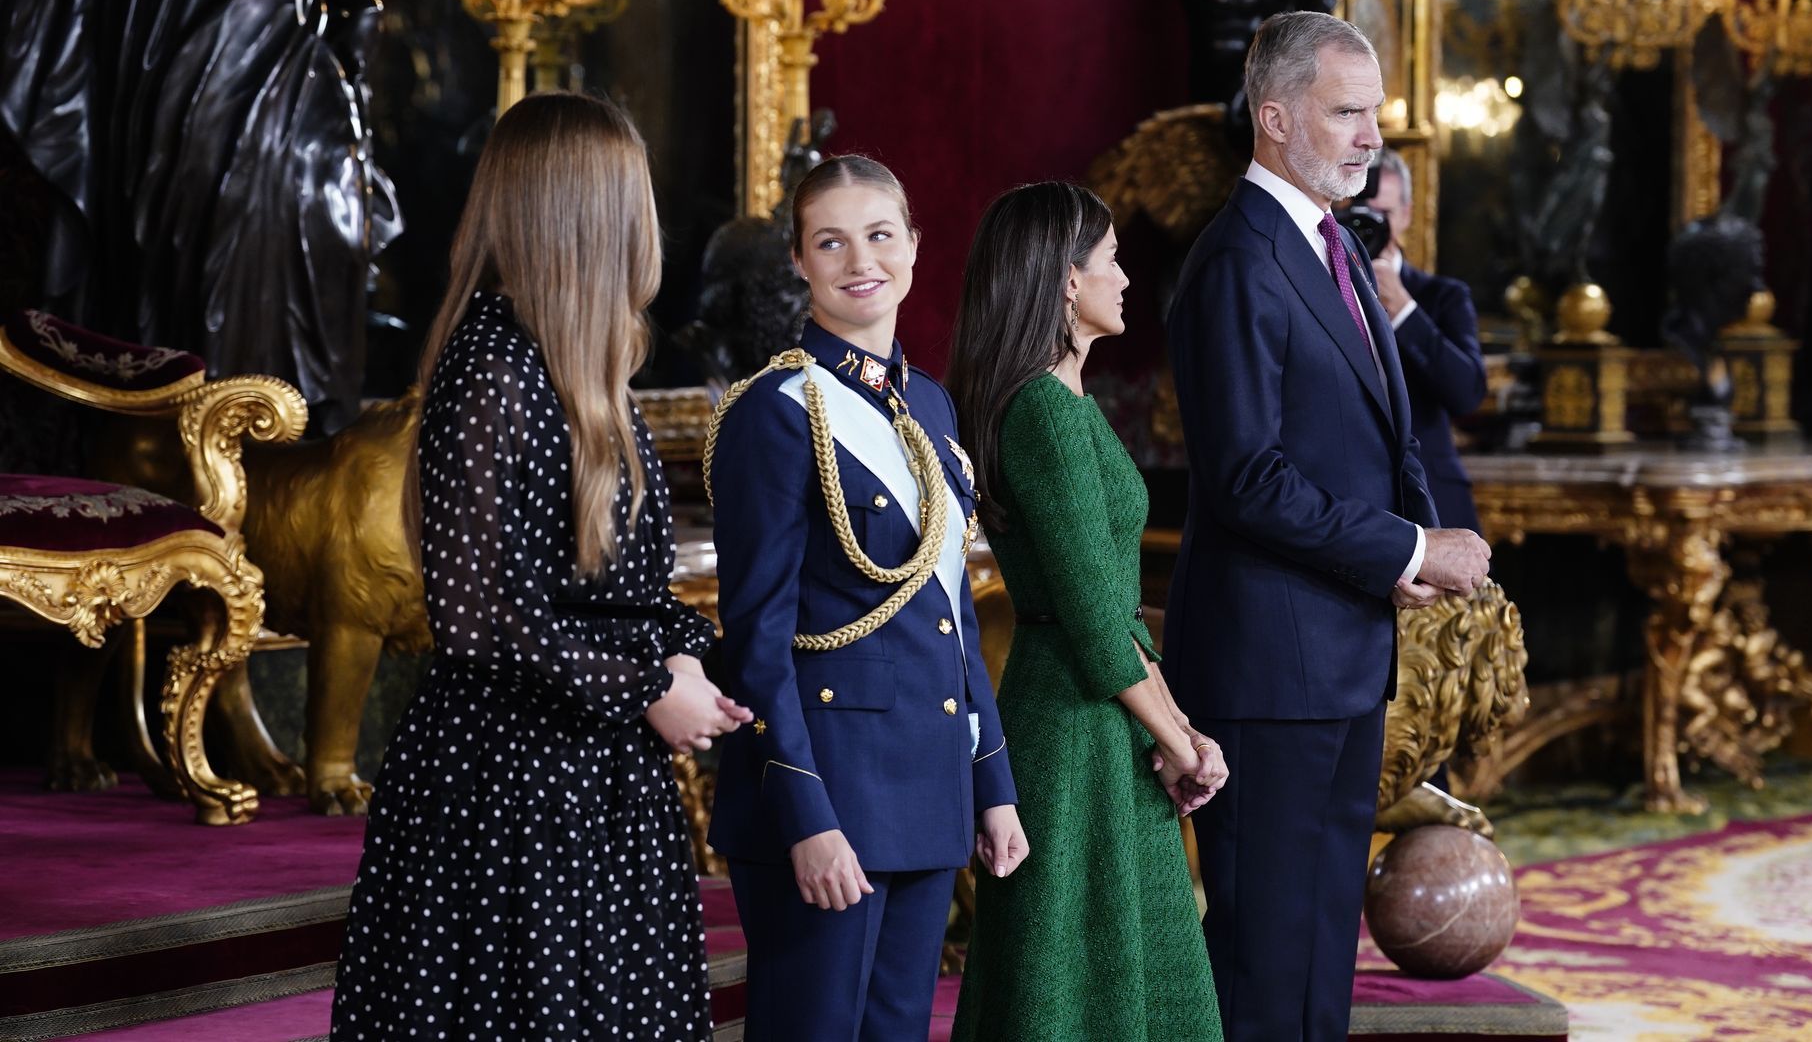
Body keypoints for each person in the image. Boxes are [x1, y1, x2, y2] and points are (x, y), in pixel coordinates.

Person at [331, 92, 751, 1040]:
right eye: (632, 198)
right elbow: (482, 616)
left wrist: (688, 657)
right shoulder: (495, 369)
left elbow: (615, 590)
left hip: (590, 785)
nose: (650, 225)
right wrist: (648, 685)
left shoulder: (580, 373)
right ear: (589, 216)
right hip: (509, 801)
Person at [1162, 12, 1492, 1041]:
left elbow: (1370, 442)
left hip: (1340, 654)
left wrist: (1405, 555)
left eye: (1374, 116)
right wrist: (1410, 548)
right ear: (1273, 117)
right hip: (1267, 672)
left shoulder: (1332, 246)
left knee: (1316, 952)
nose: (1368, 138)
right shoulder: (1237, 263)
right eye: (1345, 113)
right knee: (1266, 955)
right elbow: (1248, 477)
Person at [704, 155, 1027, 1041]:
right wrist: (807, 817)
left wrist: (991, 786)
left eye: (880, 235)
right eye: (831, 241)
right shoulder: (775, 410)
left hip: (927, 787)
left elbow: (952, 615)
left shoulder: (930, 405)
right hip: (832, 791)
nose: (861, 260)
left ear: (915, 248)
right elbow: (756, 639)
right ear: (801, 263)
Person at [947, 182, 1229, 1042]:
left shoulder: (1068, 404)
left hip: (1106, 722)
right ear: (1067, 281)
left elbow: (1116, 613)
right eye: (1110, 260)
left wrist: (1178, 730)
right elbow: (1095, 622)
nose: (1127, 280)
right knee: (1068, 993)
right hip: (1072, 732)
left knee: (1129, 985)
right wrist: (1182, 745)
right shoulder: (1042, 412)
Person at [1363, 148, 1487, 533]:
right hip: (1355, 507)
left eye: (1382, 215)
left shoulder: (1443, 297)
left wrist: (1404, 311)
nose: (1371, 225)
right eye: (1360, 213)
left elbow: (1467, 393)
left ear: (1406, 215)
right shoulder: (1320, 289)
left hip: (1434, 501)